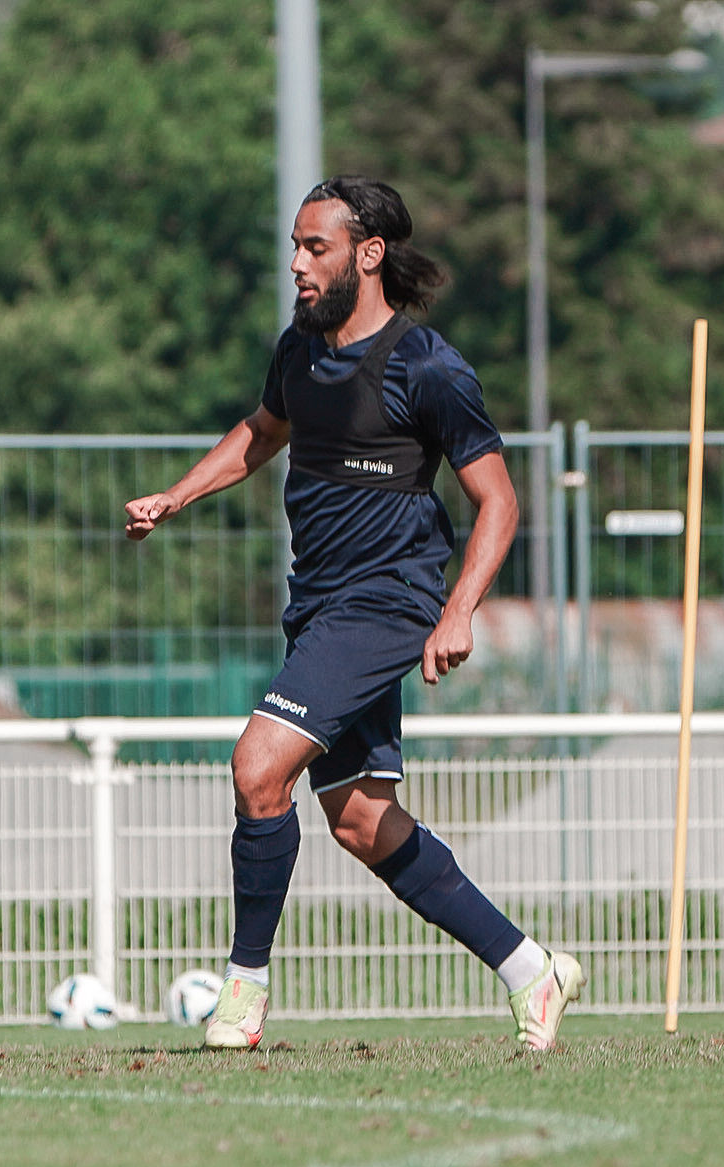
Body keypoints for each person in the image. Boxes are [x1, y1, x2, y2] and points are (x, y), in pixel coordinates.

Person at [124, 176, 583, 1052]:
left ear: (368, 254)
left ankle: (244, 992)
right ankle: (533, 970)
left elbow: (500, 503)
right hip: (321, 606)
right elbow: (262, 432)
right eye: (295, 247)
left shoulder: (428, 367)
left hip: (388, 602)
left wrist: (456, 614)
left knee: (260, 767)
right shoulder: (299, 352)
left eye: (315, 247)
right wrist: (179, 495)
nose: (297, 265)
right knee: (362, 820)